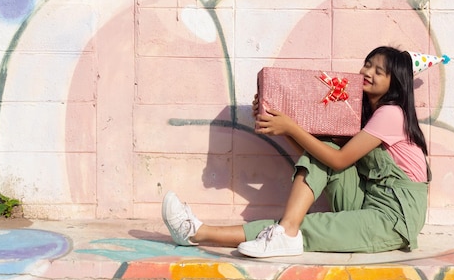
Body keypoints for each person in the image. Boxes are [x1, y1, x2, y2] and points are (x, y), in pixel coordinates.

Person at [162, 46, 430, 258]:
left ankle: (198, 232)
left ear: (395, 83)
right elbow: (321, 156)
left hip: (394, 217)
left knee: (308, 227)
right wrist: (281, 126)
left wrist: (291, 126)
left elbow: (339, 161)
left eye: (379, 71)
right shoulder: (362, 115)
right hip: (367, 199)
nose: (367, 71)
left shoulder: (391, 113)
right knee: (326, 146)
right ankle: (284, 232)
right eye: (368, 64)